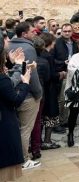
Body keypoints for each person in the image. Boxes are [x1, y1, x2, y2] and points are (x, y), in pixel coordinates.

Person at [9, 22, 43, 169]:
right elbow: (31, 74)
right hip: (26, 94)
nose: (34, 33)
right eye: (32, 31)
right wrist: (38, 93)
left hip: (12, 92)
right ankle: (23, 160)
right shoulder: (28, 48)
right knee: (25, 129)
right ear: (24, 34)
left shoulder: (8, 45)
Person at [0, 47, 33, 180]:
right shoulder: (2, 80)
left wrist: (12, 64)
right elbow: (15, 100)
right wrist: (25, 83)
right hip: (4, 124)